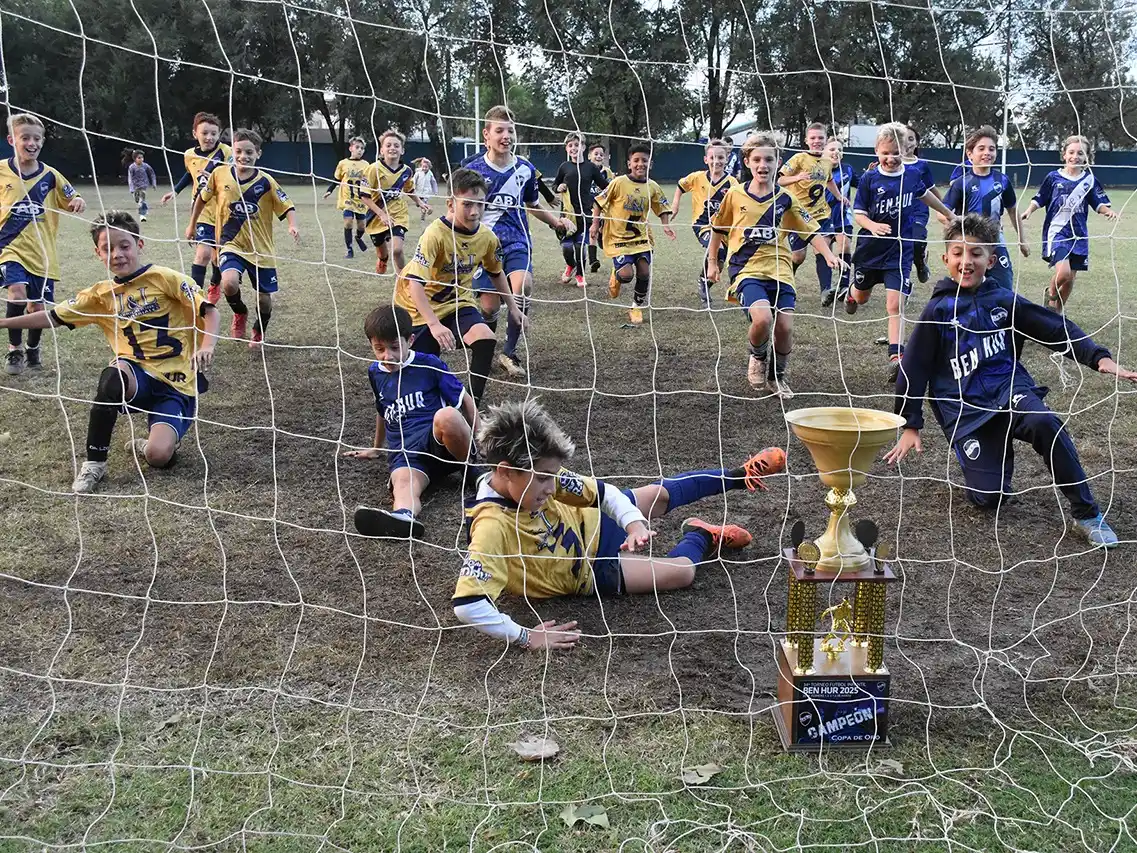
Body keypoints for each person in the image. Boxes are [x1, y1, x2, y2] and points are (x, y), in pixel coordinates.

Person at [451, 398, 787, 651]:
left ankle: (740, 475)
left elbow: (605, 492)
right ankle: (702, 535)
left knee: (658, 495)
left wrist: (634, 524)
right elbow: (468, 606)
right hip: (590, 570)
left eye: (553, 476)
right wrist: (526, 636)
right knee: (682, 572)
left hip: (594, 523)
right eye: (544, 479)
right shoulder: (491, 527)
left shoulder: (541, 475)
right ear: (507, 470)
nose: (552, 488)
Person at [886, 213, 1136, 548]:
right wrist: (910, 424)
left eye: (976, 254)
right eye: (958, 253)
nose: (966, 261)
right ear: (946, 259)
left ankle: (1087, 514)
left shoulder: (1003, 299)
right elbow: (913, 368)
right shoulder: (938, 311)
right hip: (966, 412)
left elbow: (1050, 326)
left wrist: (1097, 357)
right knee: (989, 499)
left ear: (990, 260)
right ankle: (993, 461)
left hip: (1009, 389)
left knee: (1045, 422)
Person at [0, 212, 219, 493]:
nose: (117, 254)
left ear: (139, 245)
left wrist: (207, 346)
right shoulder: (100, 295)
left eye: (124, 246)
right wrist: (4, 322)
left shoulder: (167, 278)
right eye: (108, 248)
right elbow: (52, 317)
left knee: (159, 456)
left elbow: (209, 311)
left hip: (176, 383)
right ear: (98, 253)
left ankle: (152, 442)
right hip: (135, 376)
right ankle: (94, 463)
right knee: (113, 375)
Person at [707, 132, 843, 397]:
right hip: (746, 269)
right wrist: (713, 263)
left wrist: (828, 254)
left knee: (785, 327)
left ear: (777, 161)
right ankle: (757, 356)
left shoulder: (786, 198)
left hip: (781, 270)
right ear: (747, 162)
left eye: (768, 159)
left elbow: (810, 231)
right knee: (763, 318)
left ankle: (777, 376)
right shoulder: (734, 195)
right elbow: (717, 229)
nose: (763, 165)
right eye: (756, 159)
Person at [343, 304, 478, 539]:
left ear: (410, 340)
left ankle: (475, 472)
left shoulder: (428, 364)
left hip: (441, 445)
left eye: (395, 347)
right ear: (371, 346)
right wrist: (377, 448)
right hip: (406, 453)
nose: (388, 356)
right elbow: (382, 410)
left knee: (446, 416)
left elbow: (464, 399)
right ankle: (403, 518)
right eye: (379, 349)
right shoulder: (375, 373)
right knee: (403, 484)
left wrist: (480, 436)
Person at [394, 167, 525, 406]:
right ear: (451, 203)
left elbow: (496, 273)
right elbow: (414, 284)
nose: (475, 212)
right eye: (467, 204)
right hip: (418, 307)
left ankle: (471, 404)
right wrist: (434, 324)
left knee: (486, 339)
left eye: (480, 204)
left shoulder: (487, 237)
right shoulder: (434, 234)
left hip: (458, 302)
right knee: (421, 372)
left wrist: (514, 308)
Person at [462, 106, 571, 378]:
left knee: (522, 286)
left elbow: (532, 204)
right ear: (486, 135)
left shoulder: (525, 168)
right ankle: (486, 343)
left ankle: (509, 353)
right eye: (499, 130)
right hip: (483, 245)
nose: (506, 135)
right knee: (488, 307)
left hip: (517, 241)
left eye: (510, 130)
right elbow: (462, 209)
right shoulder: (472, 169)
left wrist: (556, 222)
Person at [845, 122, 956, 385]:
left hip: (900, 250)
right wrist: (872, 225)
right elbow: (858, 213)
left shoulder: (913, 175)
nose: (891, 158)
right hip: (871, 250)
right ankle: (850, 292)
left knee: (895, 304)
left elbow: (926, 196)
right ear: (876, 151)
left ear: (906, 149)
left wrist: (949, 214)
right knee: (861, 298)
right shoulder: (870, 178)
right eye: (886, 153)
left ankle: (896, 357)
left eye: (896, 152)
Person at [188, 128, 300, 349]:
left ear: (258, 153)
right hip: (231, 244)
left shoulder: (266, 182)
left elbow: (287, 205)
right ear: (233, 152)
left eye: (249, 152)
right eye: (239, 151)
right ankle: (240, 312)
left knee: (264, 299)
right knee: (228, 283)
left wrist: (292, 225)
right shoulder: (219, 175)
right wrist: (192, 224)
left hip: (261, 250)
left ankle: (259, 329)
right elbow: (202, 199)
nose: (243, 156)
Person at [1, 113, 85, 376]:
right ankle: (14, 350)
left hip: (42, 253)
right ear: (11, 139)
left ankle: (32, 349)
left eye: (36, 138)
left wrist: (78, 201)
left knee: (36, 306)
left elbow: (72, 197)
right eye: (25, 137)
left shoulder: (51, 176)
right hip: (9, 248)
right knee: (17, 293)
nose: (31, 143)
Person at [1020, 134, 1116, 311]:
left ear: (1087, 157)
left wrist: (1107, 211)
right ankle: (1050, 294)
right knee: (1063, 273)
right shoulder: (1053, 177)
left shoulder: (1089, 180)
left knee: (1070, 278)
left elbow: (1098, 203)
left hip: (1079, 234)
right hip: (1057, 232)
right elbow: (1040, 198)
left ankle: (1057, 313)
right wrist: (1029, 210)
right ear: (1064, 154)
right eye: (1071, 152)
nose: (1075, 156)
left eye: (1081, 153)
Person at [590, 143, 676, 326]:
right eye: (636, 160)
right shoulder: (619, 183)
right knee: (627, 275)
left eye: (644, 161)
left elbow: (661, 207)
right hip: (618, 238)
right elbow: (598, 202)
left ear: (650, 164)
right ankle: (617, 274)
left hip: (641, 238)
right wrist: (595, 224)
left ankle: (636, 306)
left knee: (644, 271)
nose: (640, 164)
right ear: (629, 163)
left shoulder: (652, 186)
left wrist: (666, 225)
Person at [942, 125, 1028, 291]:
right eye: (981, 149)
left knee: (1004, 286)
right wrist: (960, 222)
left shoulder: (1002, 180)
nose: (987, 153)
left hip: (995, 240)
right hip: (969, 242)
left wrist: (1022, 240)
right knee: (968, 287)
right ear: (970, 154)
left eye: (992, 149)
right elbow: (942, 213)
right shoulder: (962, 183)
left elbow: (1012, 210)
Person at [160, 111, 232, 302]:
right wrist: (175, 191)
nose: (209, 137)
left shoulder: (226, 152)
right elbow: (189, 174)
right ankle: (196, 300)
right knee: (203, 254)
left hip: (224, 212)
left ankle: (215, 283)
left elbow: (235, 177)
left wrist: (218, 180)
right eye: (205, 133)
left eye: (214, 133)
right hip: (202, 211)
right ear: (195, 134)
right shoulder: (189, 155)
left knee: (217, 257)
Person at [671, 138, 738, 307]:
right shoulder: (697, 177)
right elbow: (680, 186)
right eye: (713, 157)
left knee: (720, 261)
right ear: (705, 159)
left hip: (723, 228)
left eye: (721, 157)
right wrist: (675, 204)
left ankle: (704, 283)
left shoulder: (732, 184)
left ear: (727, 159)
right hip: (702, 224)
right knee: (715, 250)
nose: (717, 161)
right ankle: (705, 282)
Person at [776, 121, 848, 275]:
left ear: (826, 139)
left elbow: (829, 180)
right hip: (798, 214)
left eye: (820, 138)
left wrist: (839, 196)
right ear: (806, 140)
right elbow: (780, 181)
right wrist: (797, 177)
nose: (816, 141)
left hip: (820, 213)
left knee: (825, 246)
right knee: (798, 256)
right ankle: (788, 277)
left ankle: (826, 292)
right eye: (813, 138)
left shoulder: (827, 161)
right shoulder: (799, 158)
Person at [361, 128, 431, 276]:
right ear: (381, 150)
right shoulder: (373, 169)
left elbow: (409, 189)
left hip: (398, 214)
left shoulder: (407, 171)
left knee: (397, 250)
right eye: (388, 145)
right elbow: (364, 196)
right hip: (376, 217)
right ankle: (383, 259)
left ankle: (402, 281)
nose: (392, 148)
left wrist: (420, 202)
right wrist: (381, 214)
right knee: (382, 252)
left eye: (396, 145)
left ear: (402, 150)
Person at [554, 132, 608, 288]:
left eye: (577, 145)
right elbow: (554, 185)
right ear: (566, 148)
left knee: (579, 246)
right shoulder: (564, 167)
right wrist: (559, 187)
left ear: (583, 147)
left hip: (585, 214)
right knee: (567, 248)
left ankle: (580, 274)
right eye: (570, 145)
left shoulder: (590, 168)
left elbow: (605, 185)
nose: (573, 148)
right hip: (567, 215)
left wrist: (603, 198)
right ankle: (570, 266)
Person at [817, 137, 858, 308]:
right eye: (832, 149)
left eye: (839, 150)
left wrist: (871, 174)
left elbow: (861, 184)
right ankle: (826, 290)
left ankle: (843, 286)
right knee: (824, 248)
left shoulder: (848, 169)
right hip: (822, 216)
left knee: (845, 245)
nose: (836, 153)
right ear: (824, 152)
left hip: (842, 215)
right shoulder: (817, 169)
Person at [900, 125, 941, 284]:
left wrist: (945, 208)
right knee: (900, 246)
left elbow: (931, 189)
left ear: (916, 143)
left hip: (918, 212)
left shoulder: (922, 165)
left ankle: (920, 262)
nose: (906, 142)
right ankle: (903, 281)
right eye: (902, 138)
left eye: (911, 138)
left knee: (916, 241)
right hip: (898, 211)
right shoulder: (890, 161)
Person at [323, 136, 370, 259]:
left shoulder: (366, 165)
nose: (360, 150)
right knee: (348, 223)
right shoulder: (343, 163)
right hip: (347, 199)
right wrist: (330, 190)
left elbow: (369, 182)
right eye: (357, 147)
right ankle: (349, 250)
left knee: (362, 227)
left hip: (360, 201)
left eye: (362, 148)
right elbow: (337, 179)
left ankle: (358, 237)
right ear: (351, 148)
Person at [586, 143, 615, 272]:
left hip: (603, 208)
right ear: (589, 156)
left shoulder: (607, 172)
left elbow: (611, 188)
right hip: (588, 207)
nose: (598, 156)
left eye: (601, 155)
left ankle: (602, 241)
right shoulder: (584, 170)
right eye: (596, 154)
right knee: (592, 231)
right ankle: (593, 261)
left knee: (603, 235)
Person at [127, 151, 157, 223]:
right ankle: (144, 208)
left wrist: (154, 183)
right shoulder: (132, 167)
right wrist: (131, 188)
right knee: (138, 200)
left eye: (142, 158)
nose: (141, 159)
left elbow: (152, 174)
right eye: (139, 158)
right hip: (135, 187)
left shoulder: (146, 166)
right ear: (135, 159)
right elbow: (130, 178)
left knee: (142, 200)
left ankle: (142, 215)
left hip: (143, 186)